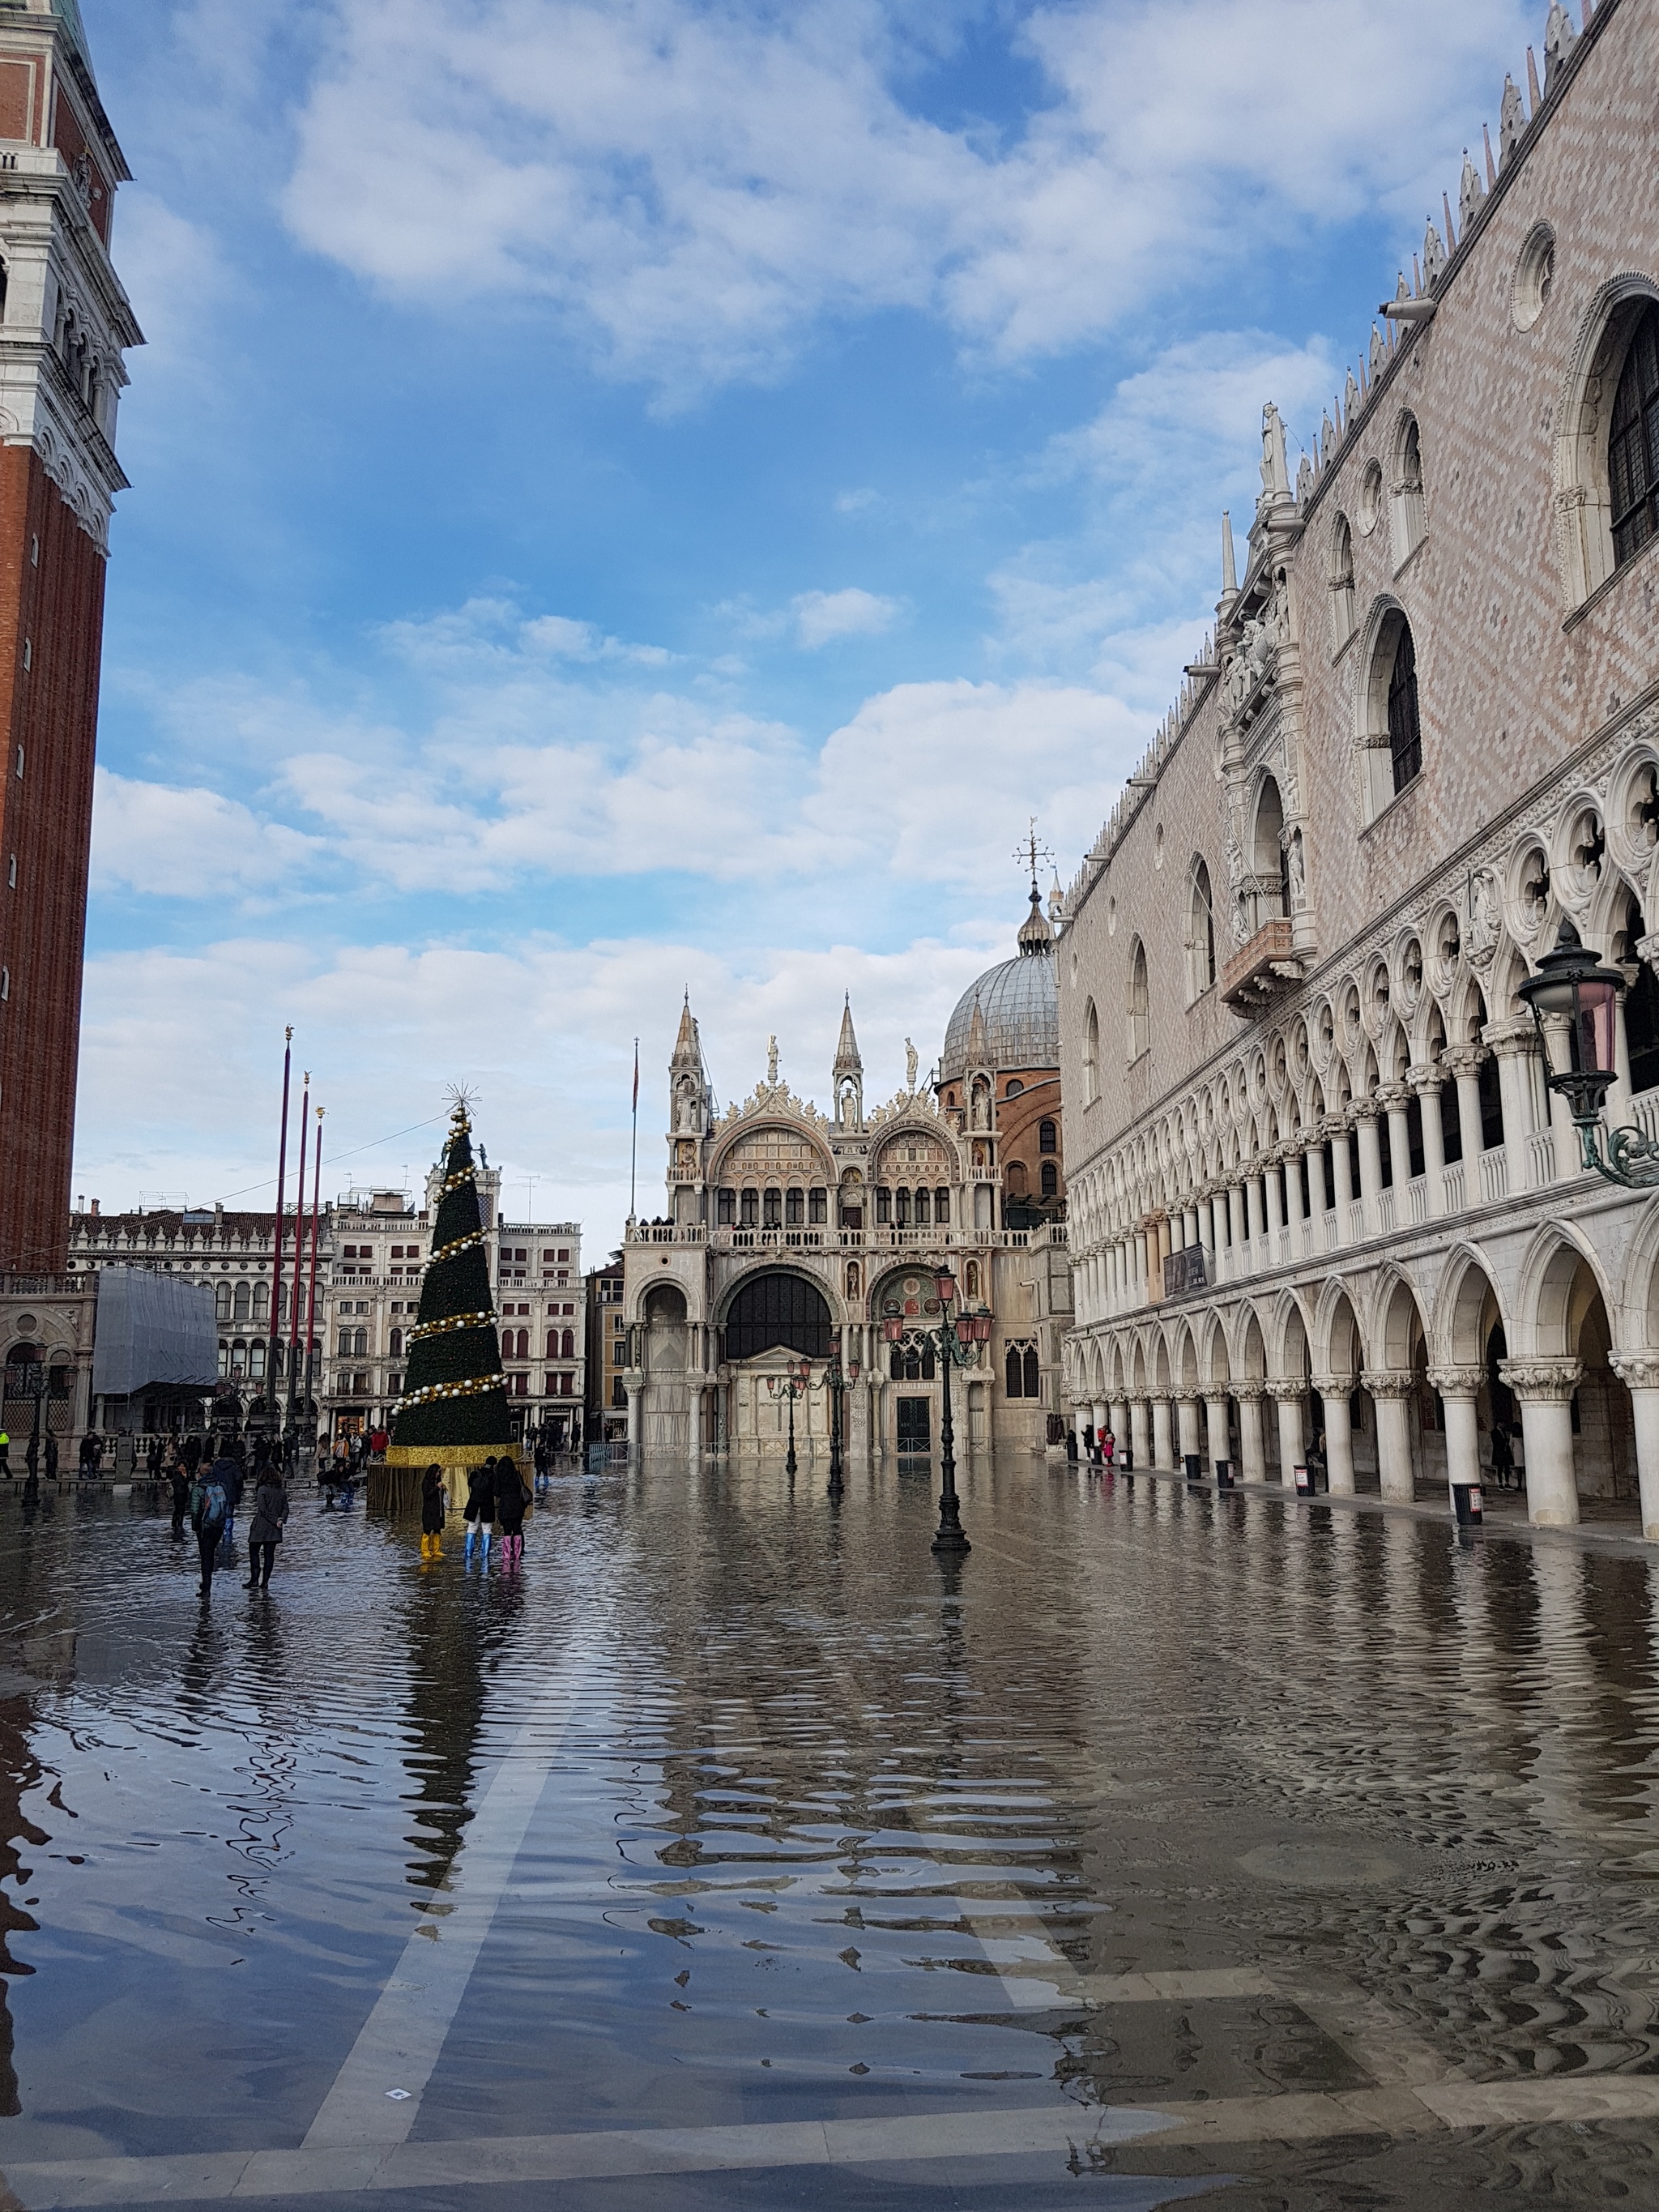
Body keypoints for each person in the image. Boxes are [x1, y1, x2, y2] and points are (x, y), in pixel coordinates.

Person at [190, 1457, 230, 1596]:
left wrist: (195, 1527)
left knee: (205, 1556)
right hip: (218, 1525)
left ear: (200, 1474)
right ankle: (207, 1584)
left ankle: (206, 1587)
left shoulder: (198, 1489)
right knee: (211, 1554)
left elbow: (195, 1511)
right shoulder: (220, 1485)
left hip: (205, 1527)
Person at [245, 1467, 288, 1590]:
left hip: (260, 1526)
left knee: (254, 1552)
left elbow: (263, 1509)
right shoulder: (281, 1491)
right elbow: (286, 1508)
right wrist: (281, 1520)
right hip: (275, 1528)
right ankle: (265, 1582)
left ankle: (254, 1579)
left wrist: (275, 1520)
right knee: (269, 1555)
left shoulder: (262, 1490)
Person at [494, 1450, 529, 1567]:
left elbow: (496, 1492)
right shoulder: (517, 1474)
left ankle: (507, 1554)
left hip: (505, 1505)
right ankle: (518, 1553)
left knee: (507, 1530)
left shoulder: (499, 1476)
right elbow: (521, 1487)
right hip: (517, 1505)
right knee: (517, 1528)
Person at [464, 1458, 497, 1563]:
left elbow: (469, 1484)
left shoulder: (475, 1474)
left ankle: (468, 1554)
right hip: (487, 1505)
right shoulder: (493, 1476)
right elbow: (495, 1490)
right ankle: (485, 1555)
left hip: (474, 1504)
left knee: (471, 1528)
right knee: (487, 1529)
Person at [420, 1465, 446, 1561]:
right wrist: (437, 1488)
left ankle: (436, 1549)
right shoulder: (426, 1482)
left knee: (437, 1529)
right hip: (429, 1510)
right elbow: (427, 1495)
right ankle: (425, 1550)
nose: (438, 1474)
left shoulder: (438, 1482)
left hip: (438, 1510)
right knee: (427, 1530)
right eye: (437, 1472)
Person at [168, 1449, 191, 1540]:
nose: (183, 1468)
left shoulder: (175, 1475)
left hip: (179, 1496)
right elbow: (183, 1484)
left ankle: (175, 1525)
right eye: (182, 1466)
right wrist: (186, 1478)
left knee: (177, 1511)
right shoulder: (179, 1476)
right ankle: (179, 1526)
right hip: (180, 1495)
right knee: (180, 1512)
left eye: (184, 1466)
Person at [1491, 1421, 1514, 1492]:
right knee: (1500, 1468)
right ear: (1499, 1423)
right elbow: (1496, 1442)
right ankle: (1500, 1483)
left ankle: (1507, 1482)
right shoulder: (1494, 1432)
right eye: (1502, 1423)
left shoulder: (1503, 1431)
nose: (1503, 1425)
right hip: (1499, 1452)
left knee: (1507, 1467)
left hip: (1505, 1452)